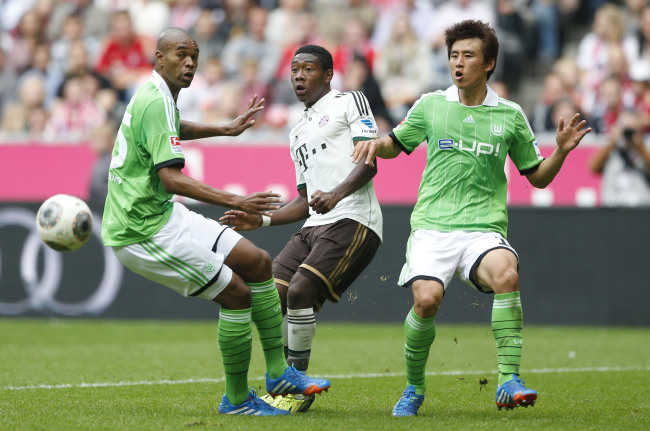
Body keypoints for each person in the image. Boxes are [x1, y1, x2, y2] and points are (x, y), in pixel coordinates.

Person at [352, 20, 592, 416]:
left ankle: (508, 379)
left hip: (483, 229)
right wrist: (378, 144)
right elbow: (396, 144)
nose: (458, 63)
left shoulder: (510, 115)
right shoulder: (431, 105)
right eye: (453, 56)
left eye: (467, 56)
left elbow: (538, 178)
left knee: (507, 274)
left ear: (490, 62)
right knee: (426, 300)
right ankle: (413, 387)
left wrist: (562, 152)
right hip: (432, 226)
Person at [101, 28, 330, 416]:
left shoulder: (160, 96)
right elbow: (171, 179)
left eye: (194, 56)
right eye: (180, 55)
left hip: (162, 215)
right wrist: (237, 199)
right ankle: (237, 401)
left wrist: (222, 128)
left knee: (258, 262)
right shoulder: (155, 100)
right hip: (140, 231)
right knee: (237, 294)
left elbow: (174, 127)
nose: (189, 63)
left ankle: (277, 374)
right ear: (159, 58)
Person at [219, 44, 383, 413]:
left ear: (327, 74)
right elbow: (304, 201)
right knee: (263, 297)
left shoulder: (349, 102)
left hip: (353, 218)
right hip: (315, 224)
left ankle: (295, 387)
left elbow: (370, 160)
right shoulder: (297, 131)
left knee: (300, 291)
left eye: (308, 69)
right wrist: (259, 220)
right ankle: (250, 389)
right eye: (294, 70)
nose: (298, 76)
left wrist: (338, 194)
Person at [589, 109, 650, 206]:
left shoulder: (644, 148)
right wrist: (613, 140)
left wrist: (639, 145)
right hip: (612, 209)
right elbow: (593, 167)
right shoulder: (611, 149)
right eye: (625, 128)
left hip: (640, 210)